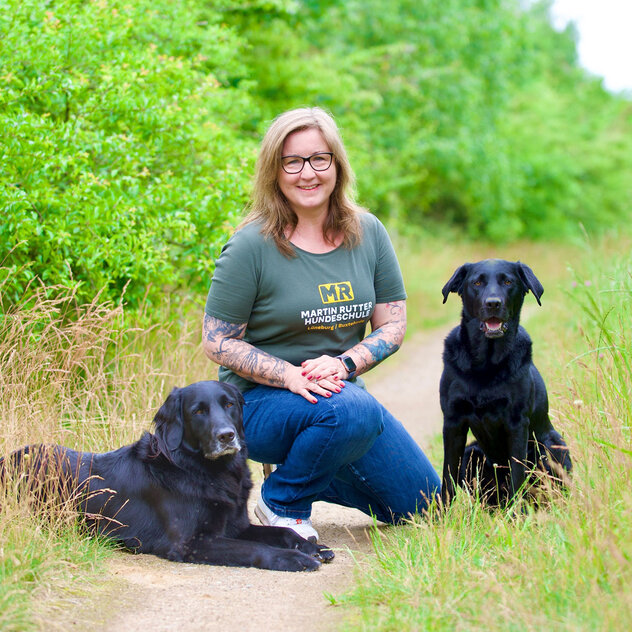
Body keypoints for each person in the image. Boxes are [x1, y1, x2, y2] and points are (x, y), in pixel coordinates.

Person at [202, 107, 440, 542]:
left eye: (318, 159)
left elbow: (393, 324)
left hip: (339, 397)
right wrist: (289, 376)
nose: (306, 173)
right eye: (291, 162)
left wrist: (345, 364)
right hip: (258, 404)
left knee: (423, 502)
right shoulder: (250, 245)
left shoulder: (368, 232)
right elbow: (217, 342)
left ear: (337, 164)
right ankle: (284, 501)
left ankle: (307, 464)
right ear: (274, 171)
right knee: (353, 410)